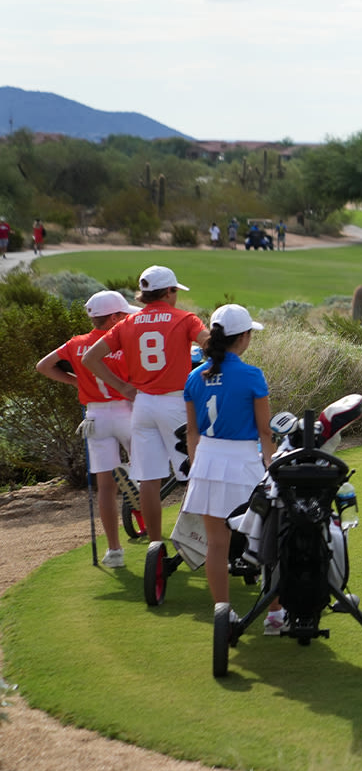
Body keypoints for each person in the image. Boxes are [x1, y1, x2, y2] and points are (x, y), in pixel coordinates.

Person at [84, 265, 208, 555]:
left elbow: (91, 358)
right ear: (169, 291)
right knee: (193, 474)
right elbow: (208, 344)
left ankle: (156, 545)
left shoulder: (127, 323)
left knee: (149, 480)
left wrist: (122, 387)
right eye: (175, 290)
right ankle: (192, 541)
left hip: (142, 404)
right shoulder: (185, 318)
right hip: (176, 403)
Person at [181, 304, 282, 632]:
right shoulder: (252, 375)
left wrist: (197, 468)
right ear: (243, 338)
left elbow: (192, 432)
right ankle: (275, 615)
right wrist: (273, 466)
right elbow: (265, 432)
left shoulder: (195, 376)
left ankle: (223, 613)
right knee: (266, 540)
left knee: (217, 545)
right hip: (241, 464)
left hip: (207, 462)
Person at [35, 291, 139, 567]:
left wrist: (76, 382)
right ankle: (133, 476)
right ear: (115, 317)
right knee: (146, 468)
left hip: (95, 417)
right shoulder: (125, 339)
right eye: (124, 314)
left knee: (105, 488)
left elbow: (43, 366)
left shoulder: (77, 343)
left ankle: (114, 552)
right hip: (127, 412)